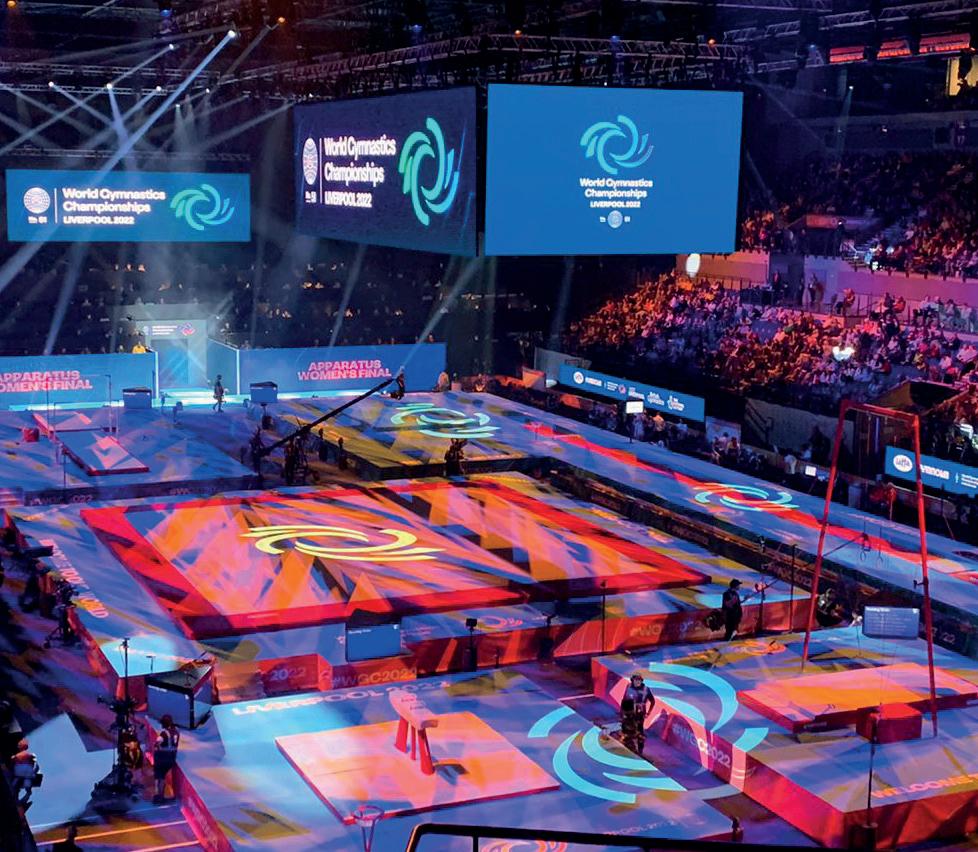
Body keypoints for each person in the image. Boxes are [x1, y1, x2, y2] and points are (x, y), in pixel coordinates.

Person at [620, 673, 655, 754]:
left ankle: (640, 750)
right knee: (627, 729)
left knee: (640, 731)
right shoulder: (628, 686)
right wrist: (621, 711)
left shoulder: (646, 689)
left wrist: (649, 712)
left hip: (640, 713)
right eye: (636, 680)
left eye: (639, 680)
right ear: (632, 680)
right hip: (629, 712)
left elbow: (652, 701)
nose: (638, 682)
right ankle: (628, 745)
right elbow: (624, 699)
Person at [153, 714, 180, 804]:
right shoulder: (176, 731)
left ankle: (159, 796)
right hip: (171, 758)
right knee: (164, 775)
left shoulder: (164, 734)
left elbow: (157, 743)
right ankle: (165, 795)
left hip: (162, 758)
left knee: (160, 777)